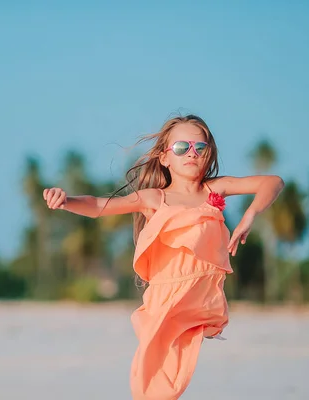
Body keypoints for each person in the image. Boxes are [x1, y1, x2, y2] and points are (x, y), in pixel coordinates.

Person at [42, 114, 284, 399]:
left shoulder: (214, 189)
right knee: (152, 382)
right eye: (182, 147)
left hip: (199, 300)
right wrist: (66, 200)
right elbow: (99, 205)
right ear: (165, 158)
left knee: (172, 380)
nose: (191, 153)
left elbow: (272, 182)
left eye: (200, 148)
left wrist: (250, 214)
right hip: (163, 302)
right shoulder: (154, 198)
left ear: (208, 155)